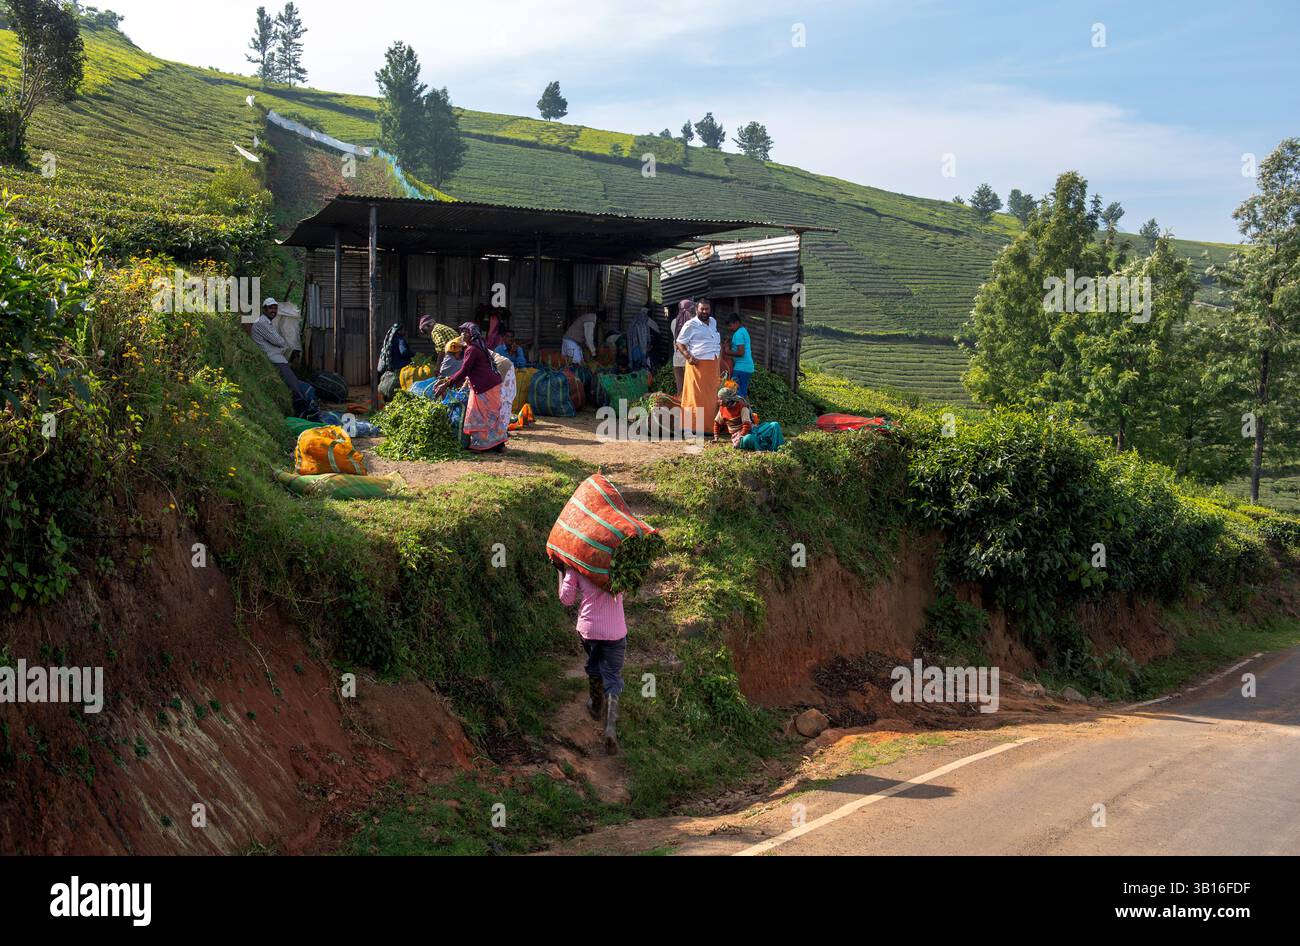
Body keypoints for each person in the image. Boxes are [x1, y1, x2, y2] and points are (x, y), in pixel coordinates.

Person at [558, 565, 628, 755]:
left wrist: (561, 573)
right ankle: (611, 728)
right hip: (615, 630)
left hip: (590, 630)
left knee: (595, 664)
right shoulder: (618, 562)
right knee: (613, 676)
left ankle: (596, 705)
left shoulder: (576, 564)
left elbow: (566, 599)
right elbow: (627, 587)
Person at [434, 323, 508, 452]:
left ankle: (481, 446)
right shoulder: (479, 345)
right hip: (492, 384)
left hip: (485, 386)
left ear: (473, 334)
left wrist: (446, 384)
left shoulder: (472, 349)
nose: (463, 335)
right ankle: (498, 445)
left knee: (478, 415)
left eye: (466, 332)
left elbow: (464, 370)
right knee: (492, 414)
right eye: (462, 332)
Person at [251, 297, 310, 409]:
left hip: (277, 357)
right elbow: (279, 341)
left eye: (275, 308)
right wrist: (283, 342)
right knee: (293, 385)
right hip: (274, 359)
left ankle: (302, 406)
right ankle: (302, 408)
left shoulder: (267, 322)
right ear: (264, 309)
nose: (273, 310)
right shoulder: (262, 323)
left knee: (295, 383)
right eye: (270, 308)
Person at [675, 299, 721, 437]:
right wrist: (688, 357)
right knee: (694, 396)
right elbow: (679, 342)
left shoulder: (713, 321)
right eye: (702, 309)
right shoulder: (690, 324)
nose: (705, 312)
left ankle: (707, 428)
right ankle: (689, 428)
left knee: (711, 397)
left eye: (707, 309)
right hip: (697, 365)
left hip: (713, 364)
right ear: (696, 310)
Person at [725, 312, 755, 398]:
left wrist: (727, 350)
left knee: (736, 393)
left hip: (741, 368)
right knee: (741, 392)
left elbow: (741, 353)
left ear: (737, 323)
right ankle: (744, 410)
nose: (729, 328)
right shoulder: (743, 331)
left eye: (730, 326)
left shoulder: (738, 334)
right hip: (746, 367)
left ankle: (742, 410)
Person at [490, 347, 517, 433]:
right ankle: (502, 430)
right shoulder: (476, 346)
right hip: (505, 366)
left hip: (502, 367)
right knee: (505, 398)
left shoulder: (472, 350)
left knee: (503, 399)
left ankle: (501, 432)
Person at [670, 300, 694, 393]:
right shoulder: (691, 323)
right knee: (690, 390)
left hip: (677, 360)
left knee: (680, 390)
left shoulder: (673, 322)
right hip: (689, 360)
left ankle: (681, 407)